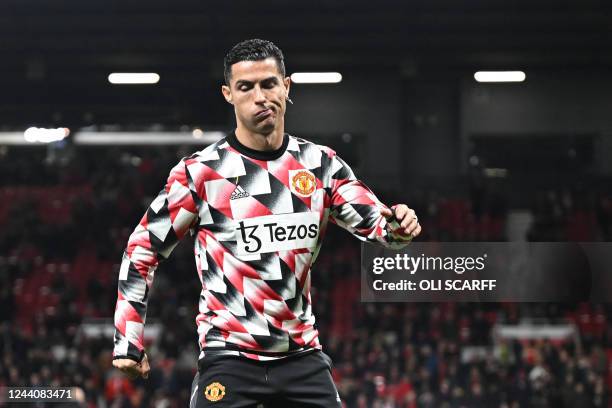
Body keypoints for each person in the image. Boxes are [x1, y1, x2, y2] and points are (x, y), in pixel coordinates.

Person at [111, 38, 421, 407]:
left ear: (286, 86)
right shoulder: (202, 174)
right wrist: (128, 340)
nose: (260, 96)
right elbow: (142, 248)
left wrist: (401, 227)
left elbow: (380, 227)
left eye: (269, 84)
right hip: (229, 359)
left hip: (301, 357)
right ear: (228, 94)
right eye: (246, 87)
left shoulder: (320, 166)